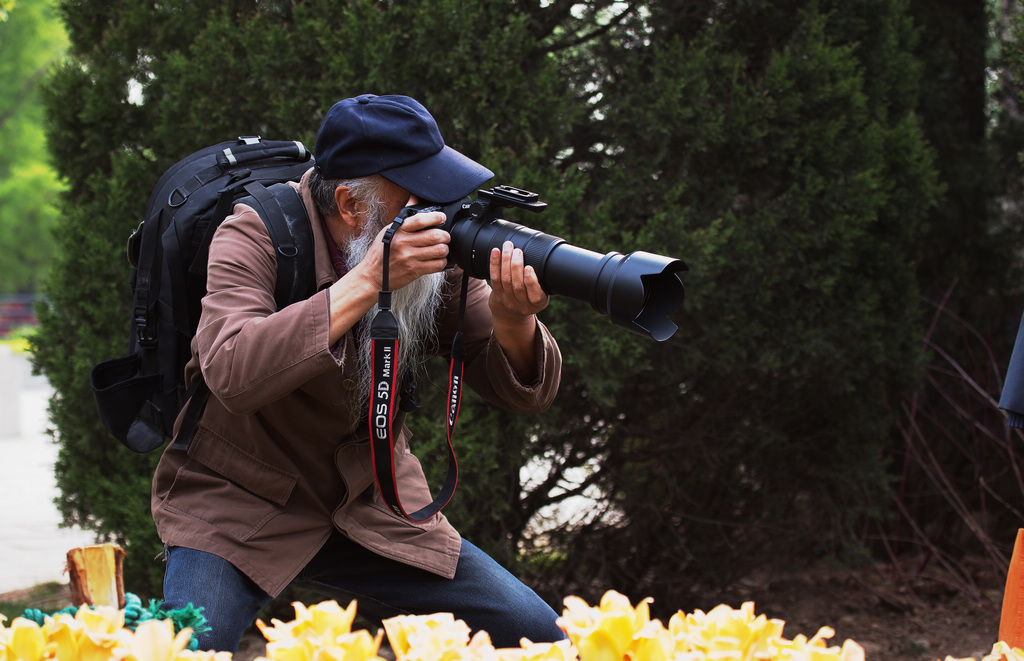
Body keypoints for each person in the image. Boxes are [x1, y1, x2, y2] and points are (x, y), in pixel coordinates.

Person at [151, 94, 564, 652]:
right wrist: (368, 281)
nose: (440, 208)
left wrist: (514, 320)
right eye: (419, 194)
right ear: (350, 204)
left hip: (372, 500)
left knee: (538, 633)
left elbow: (521, 393)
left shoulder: (427, 253)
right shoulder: (253, 234)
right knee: (183, 649)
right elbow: (231, 369)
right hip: (238, 500)